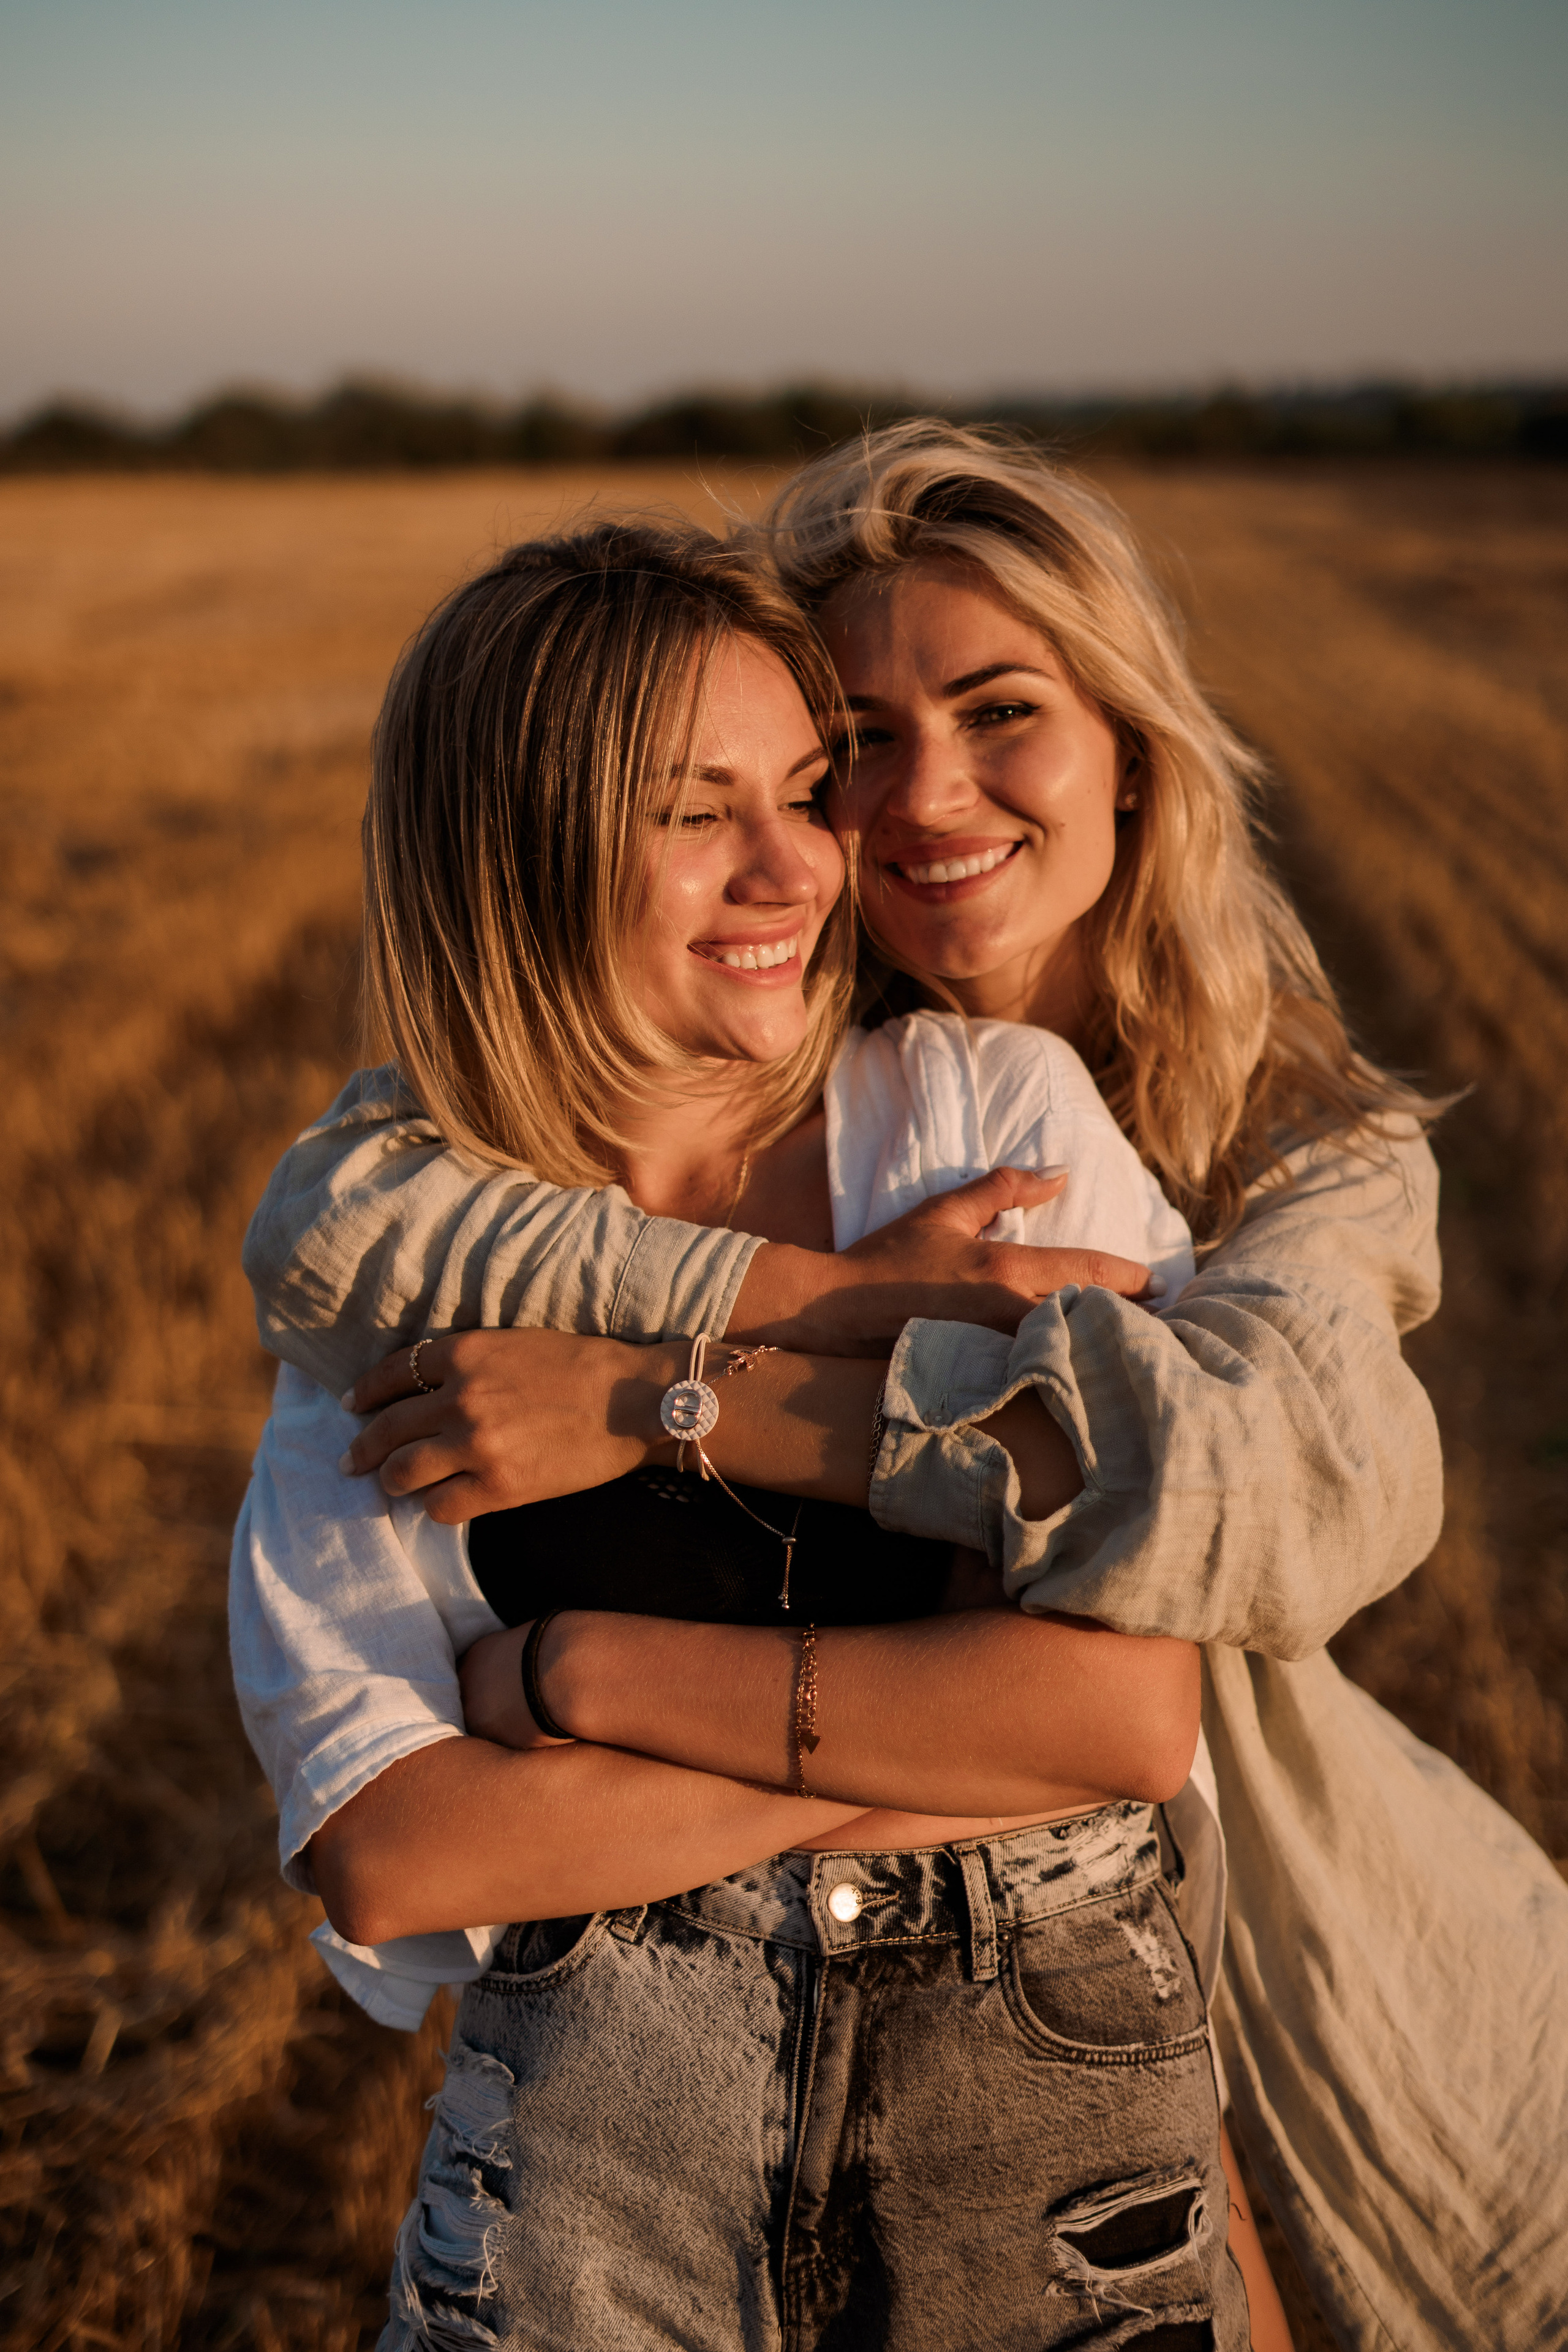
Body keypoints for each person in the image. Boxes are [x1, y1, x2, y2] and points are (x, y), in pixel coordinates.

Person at [248, 426, 1568, 2350]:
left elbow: (1195, 1582)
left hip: (1264, 1941)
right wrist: (836, 1298)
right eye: (857, 738)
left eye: (1002, 709)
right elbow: (324, 1225)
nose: (910, 800)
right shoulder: (782, 1054)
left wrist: (641, 1467)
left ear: (1133, 747)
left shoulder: (1285, 1155)